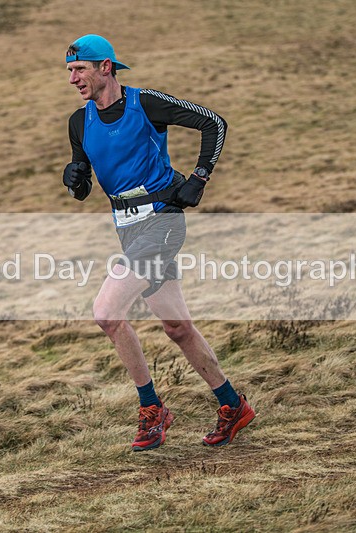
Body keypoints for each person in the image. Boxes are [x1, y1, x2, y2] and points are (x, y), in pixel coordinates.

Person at [63, 34, 255, 451]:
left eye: (80, 69)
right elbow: (84, 180)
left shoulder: (144, 103)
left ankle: (151, 409)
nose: (73, 78)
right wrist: (74, 180)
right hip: (126, 226)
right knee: (177, 328)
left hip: (163, 221)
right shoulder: (79, 122)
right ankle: (232, 404)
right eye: (70, 71)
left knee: (106, 312)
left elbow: (214, 123)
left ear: (105, 67)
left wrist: (199, 178)